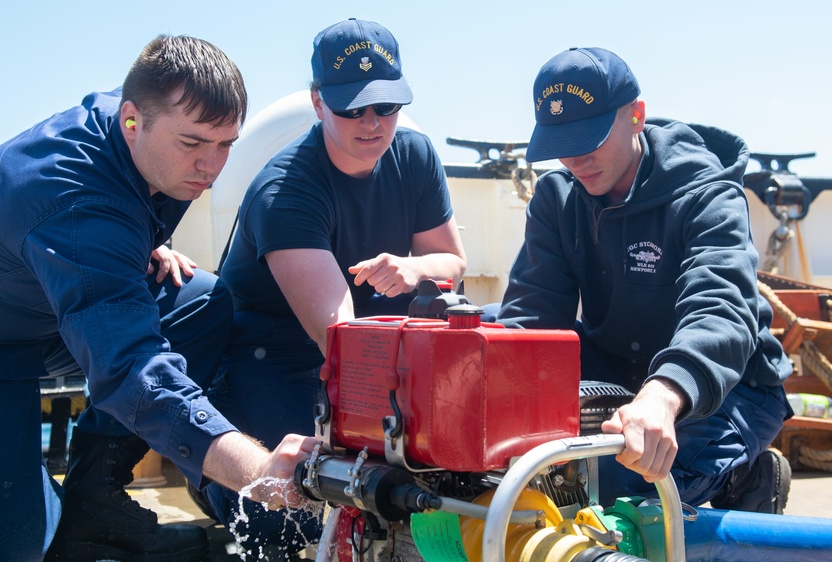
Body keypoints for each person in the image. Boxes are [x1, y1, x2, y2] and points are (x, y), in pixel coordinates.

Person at [0, 34, 315, 562]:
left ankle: (94, 497)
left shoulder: (148, 121)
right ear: (132, 121)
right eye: (193, 144)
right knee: (7, 547)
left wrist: (140, 241)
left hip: (30, 313)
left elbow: (109, 208)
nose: (211, 166)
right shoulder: (78, 203)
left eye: (226, 144)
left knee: (196, 300)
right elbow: (131, 370)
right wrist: (257, 472)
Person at [196, 18, 467, 556]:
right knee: (289, 508)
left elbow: (453, 262)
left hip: (373, 346)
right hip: (273, 355)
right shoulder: (286, 190)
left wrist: (417, 269)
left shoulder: (414, 154)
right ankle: (214, 488)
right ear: (318, 102)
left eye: (385, 107)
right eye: (352, 108)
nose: (372, 123)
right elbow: (339, 337)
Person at [484, 47, 793, 513]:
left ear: (635, 116)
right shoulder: (556, 199)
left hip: (723, 386)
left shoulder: (707, 194)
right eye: (560, 145)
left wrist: (664, 395)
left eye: (589, 138)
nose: (575, 159)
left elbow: (720, 307)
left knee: (611, 492)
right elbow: (533, 317)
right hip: (616, 376)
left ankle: (743, 476)